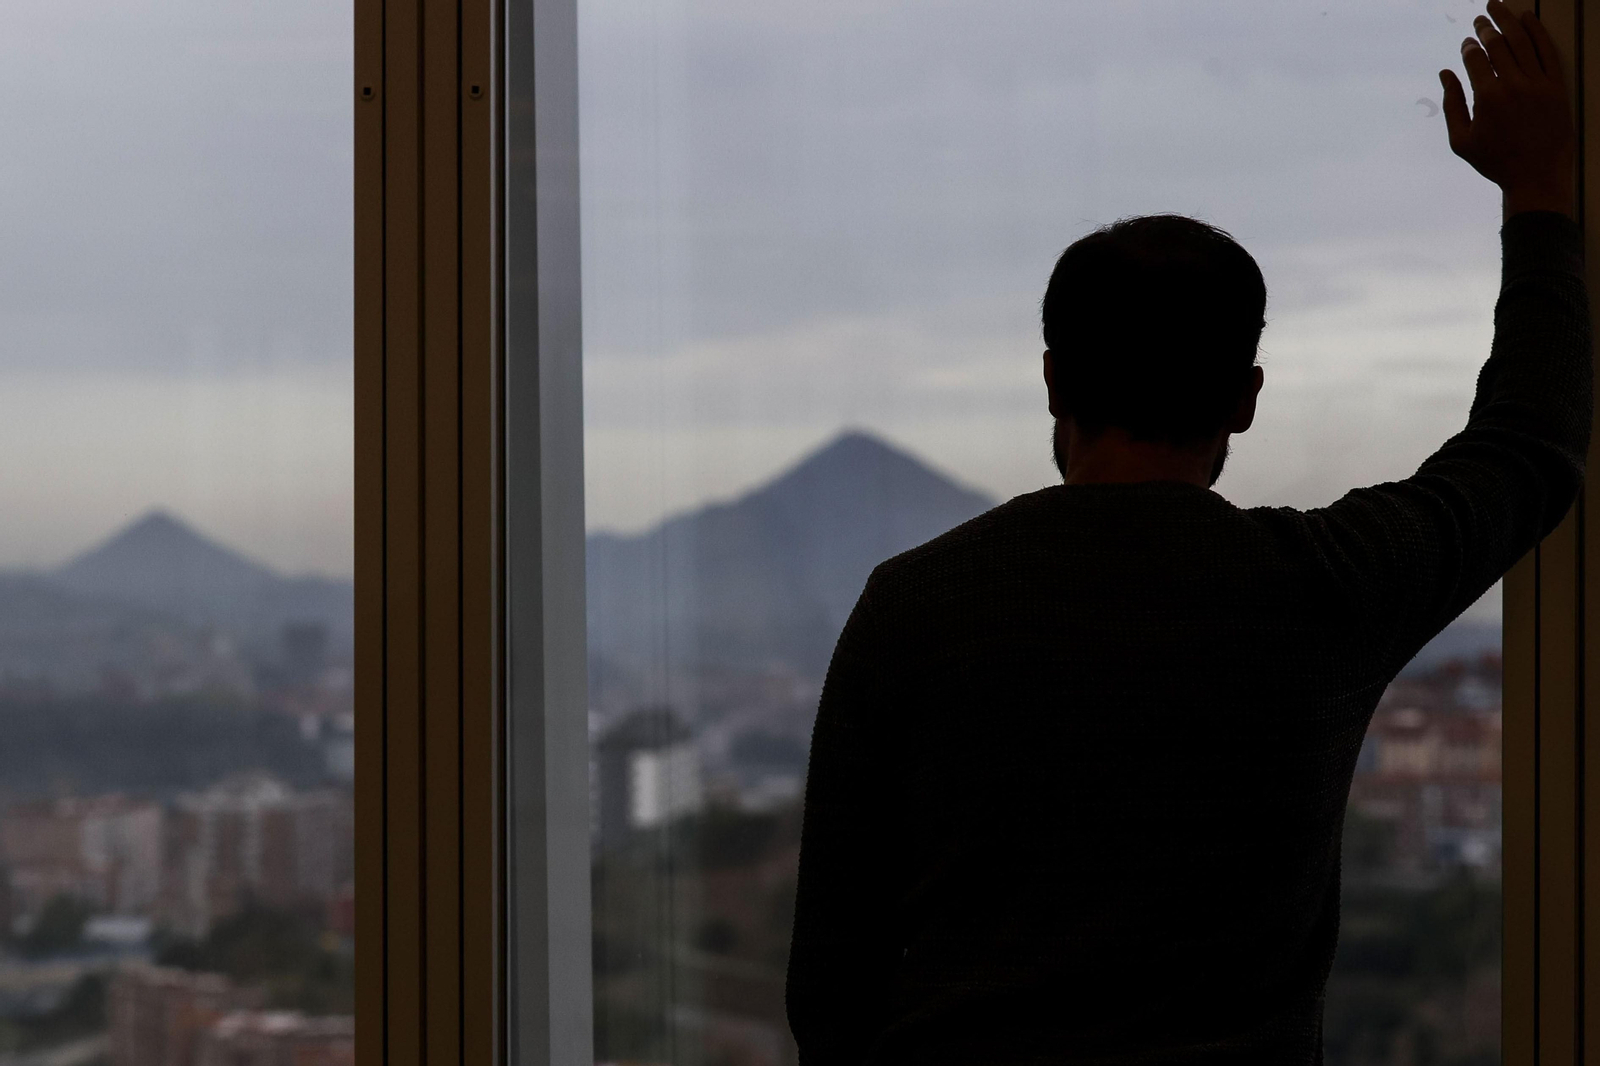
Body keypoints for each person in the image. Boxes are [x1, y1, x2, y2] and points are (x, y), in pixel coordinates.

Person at [784, 3, 1588, 1063]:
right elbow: (1523, 449)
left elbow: (830, 983)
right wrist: (1539, 198)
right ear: (1245, 397)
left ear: (1052, 378)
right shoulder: (1320, 589)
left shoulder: (913, 606)